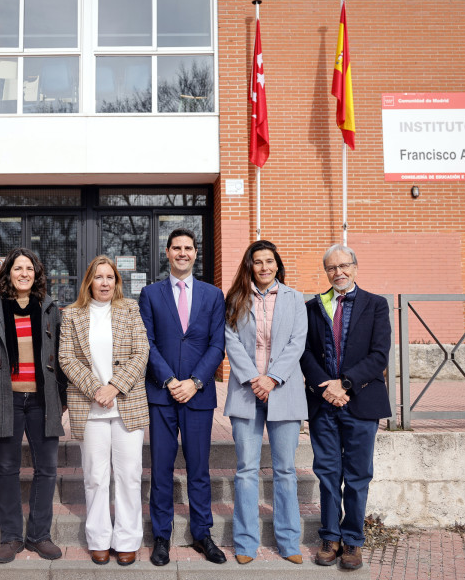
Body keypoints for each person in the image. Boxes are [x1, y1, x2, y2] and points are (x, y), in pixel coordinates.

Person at [138, 227, 227, 566]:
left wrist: (196, 382)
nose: (182, 253)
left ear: (195, 252)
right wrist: (170, 380)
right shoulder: (150, 293)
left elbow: (217, 344)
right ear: (167, 252)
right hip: (162, 395)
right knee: (161, 469)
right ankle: (162, 536)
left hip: (199, 396)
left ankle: (202, 533)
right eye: (176, 248)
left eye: (188, 248)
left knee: (199, 469)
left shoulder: (212, 295)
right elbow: (147, 342)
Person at [300, 244, 391, 570]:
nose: (338, 272)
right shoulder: (313, 306)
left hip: (361, 402)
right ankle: (330, 537)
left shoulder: (376, 305)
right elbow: (305, 353)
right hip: (324, 404)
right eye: (331, 267)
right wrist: (327, 387)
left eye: (344, 265)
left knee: (357, 476)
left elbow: (379, 355)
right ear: (326, 272)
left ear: (355, 267)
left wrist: (346, 384)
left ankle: (353, 541)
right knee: (327, 474)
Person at [0, 247, 67, 564]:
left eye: (29, 268)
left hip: (42, 399)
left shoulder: (50, 308)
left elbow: (63, 356)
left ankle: (39, 535)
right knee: (6, 469)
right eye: (18, 268)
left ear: (36, 274)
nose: (24, 273)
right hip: (6, 398)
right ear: (8, 273)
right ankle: (11, 537)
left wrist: (61, 398)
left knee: (47, 469)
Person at [59, 255, 150, 566]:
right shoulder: (71, 315)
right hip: (89, 407)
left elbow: (142, 352)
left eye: (110, 277)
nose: (105, 282)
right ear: (89, 281)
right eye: (99, 277)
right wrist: (95, 389)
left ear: (117, 282)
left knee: (129, 476)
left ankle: (126, 540)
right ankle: (98, 539)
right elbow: (66, 358)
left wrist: (114, 387)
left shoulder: (130, 310)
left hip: (127, 404)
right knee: (96, 477)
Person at [223, 240, 308, 565]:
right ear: (249, 266)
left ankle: (289, 542)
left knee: (285, 469)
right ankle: (245, 542)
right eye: (257, 262)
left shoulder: (295, 299)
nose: (263, 267)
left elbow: (296, 342)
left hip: (283, 391)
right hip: (247, 392)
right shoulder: (235, 299)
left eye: (269, 261)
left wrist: (272, 378)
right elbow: (230, 341)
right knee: (246, 470)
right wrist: (254, 379)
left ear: (277, 264)